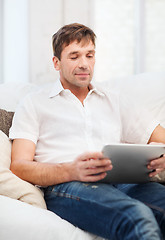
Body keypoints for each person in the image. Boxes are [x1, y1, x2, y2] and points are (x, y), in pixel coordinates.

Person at [10, 23, 165, 240]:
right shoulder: (35, 103)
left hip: (121, 182)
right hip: (66, 186)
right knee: (137, 216)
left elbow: (161, 138)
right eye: (74, 56)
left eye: (89, 55)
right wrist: (71, 171)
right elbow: (18, 166)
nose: (84, 64)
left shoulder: (114, 100)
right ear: (56, 62)